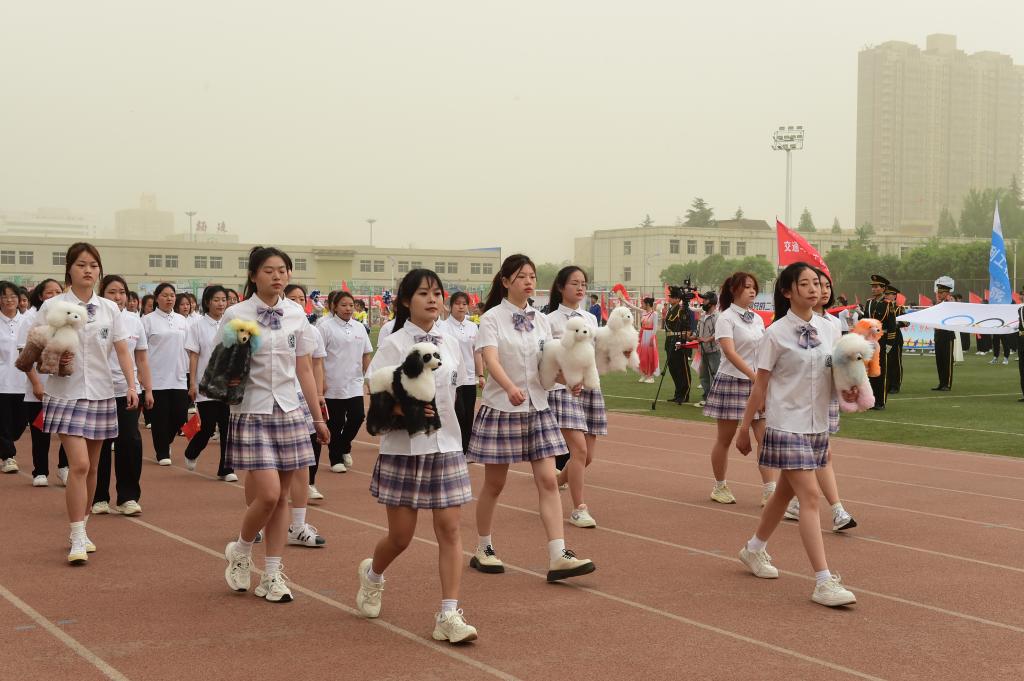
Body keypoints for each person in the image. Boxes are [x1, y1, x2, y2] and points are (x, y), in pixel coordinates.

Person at [355, 268, 479, 643]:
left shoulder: (452, 342)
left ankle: (448, 614)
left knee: (451, 530)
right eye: (424, 293)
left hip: (446, 447)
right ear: (407, 301)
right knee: (401, 537)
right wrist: (402, 410)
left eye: (437, 293)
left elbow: (459, 394)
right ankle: (372, 575)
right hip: (404, 449)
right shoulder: (393, 343)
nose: (433, 299)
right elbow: (375, 392)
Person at [466, 253, 595, 582]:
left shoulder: (541, 319)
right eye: (521, 276)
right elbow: (491, 359)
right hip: (502, 408)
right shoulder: (492, 318)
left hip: (538, 407)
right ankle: (483, 547)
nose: (528, 282)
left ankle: (558, 555)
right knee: (495, 484)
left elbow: (547, 363)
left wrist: (568, 380)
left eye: (532, 276)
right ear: (505, 281)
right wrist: (509, 386)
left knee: (549, 480)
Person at [735, 261, 857, 608]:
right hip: (786, 423)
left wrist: (852, 388)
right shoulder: (774, 334)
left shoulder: (830, 329)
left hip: (817, 425)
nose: (814, 289)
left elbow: (837, 374)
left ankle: (753, 549)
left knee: (782, 495)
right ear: (787, 291)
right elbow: (760, 385)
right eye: (805, 283)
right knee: (810, 497)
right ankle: (823, 581)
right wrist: (744, 428)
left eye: (817, 283)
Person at [222, 246, 329, 603]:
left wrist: (317, 416)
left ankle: (271, 574)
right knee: (268, 494)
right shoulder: (237, 314)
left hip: (288, 409)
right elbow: (223, 365)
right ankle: (241, 549)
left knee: (282, 496)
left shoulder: (297, 314)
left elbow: (304, 369)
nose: (277, 276)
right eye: (269, 270)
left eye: (282, 270)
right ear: (254, 276)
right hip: (251, 411)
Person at [25, 242, 138, 564]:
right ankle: (76, 534)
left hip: (102, 393)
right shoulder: (53, 306)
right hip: (65, 393)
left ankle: (83, 527)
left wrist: (132, 385)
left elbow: (122, 350)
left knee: (93, 467)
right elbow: (34, 351)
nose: (88, 270)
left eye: (93, 265)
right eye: (81, 265)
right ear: (69, 269)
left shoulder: (109, 308)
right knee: (79, 465)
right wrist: (50, 365)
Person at [783, 268, 857, 532]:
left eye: (824, 285)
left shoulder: (832, 324)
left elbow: (838, 361)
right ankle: (837, 510)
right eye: (814, 284)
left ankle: (793, 502)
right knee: (819, 456)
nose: (821, 290)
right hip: (796, 403)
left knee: (811, 457)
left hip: (824, 397)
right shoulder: (788, 326)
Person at [703, 272, 776, 506]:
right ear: (734, 290)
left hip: (756, 382)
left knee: (763, 437)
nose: (752, 291)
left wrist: (762, 379)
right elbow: (730, 352)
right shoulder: (725, 318)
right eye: (747, 287)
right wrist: (754, 377)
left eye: (754, 287)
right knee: (724, 439)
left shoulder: (757, 319)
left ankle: (770, 490)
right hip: (732, 381)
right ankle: (720, 486)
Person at [545, 266, 607, 529]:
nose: (580, 288)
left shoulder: (590, 318)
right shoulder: (549, 320)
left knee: (587, 456)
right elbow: (546, 358)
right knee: (579, 450)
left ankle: (552, 484)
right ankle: (579, 509)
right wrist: (565, 379)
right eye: (574, 283)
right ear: (561, 287)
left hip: (589, 388)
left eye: (583, 283)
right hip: (564, 391)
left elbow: (596, 351)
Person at [92, 274, 153, 516]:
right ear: (102, 294)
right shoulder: (93, 317)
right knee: (100, 444)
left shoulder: (134, 321)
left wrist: (147, 389)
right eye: (112, 292)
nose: (118, 297)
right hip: (98, 391)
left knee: (130, 441)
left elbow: (142, 358)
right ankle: (99, 497)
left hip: (128, 391)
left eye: (122, 292)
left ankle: (128, 497)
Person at [17, 279, 69, 486]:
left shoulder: (69, 319)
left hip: (65, 386)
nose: (55, 296)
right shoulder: (31, 319)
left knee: (67, 429)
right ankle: (40, 471)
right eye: (50, 293)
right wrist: (37, 384)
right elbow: (25, 355)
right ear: (40, 296)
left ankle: (64, 467)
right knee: (40, 430)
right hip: (39, 387)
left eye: (58, 292)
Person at [184, 285, 237, 481]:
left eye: (224, 300)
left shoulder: (232, 325)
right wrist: (192, 383)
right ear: (207, 302)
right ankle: (192, 451)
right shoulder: (197, 326)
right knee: (207, 427)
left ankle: (226, 468)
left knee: (227, 427)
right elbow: (194, 356)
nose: (221, 304)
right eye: (216, 300)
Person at [319, 291, 372, 474]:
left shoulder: (359, 328)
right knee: (336, 422)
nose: (348, 309)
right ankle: (335, 459)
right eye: (343, 305)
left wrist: (369, 378)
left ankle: (344, 446)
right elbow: (318, 358)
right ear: (334, 307)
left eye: (351, 305)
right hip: (333, 383)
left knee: (358, 416)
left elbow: (366, 354)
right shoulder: (325, 327)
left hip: (354, 382)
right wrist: (322, 380)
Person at [142, 283, 189, 465]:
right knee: (159, 418)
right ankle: (162, 452)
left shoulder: (182, 320)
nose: (169, 298)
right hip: (156, 378)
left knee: (179, 416)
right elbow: (141, 350)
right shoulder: (147, 320)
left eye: (172, 295)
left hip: (179, 376)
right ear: (157, 298)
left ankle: (166, 442)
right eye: (165, 295)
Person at [441, 291, 484, 454]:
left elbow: (477, 352)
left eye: (464, 304)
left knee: (468, 415)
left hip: (470, 377)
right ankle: (454, 447)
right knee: (457, 413)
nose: (461, 307)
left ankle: (466, 449)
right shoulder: (443, 327)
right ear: (450, 306)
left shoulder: (472, 327)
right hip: (452, 378)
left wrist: (481, 375)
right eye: (457, 303)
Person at [0, 281, 25, 474]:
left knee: (19, 424)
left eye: (12, 296)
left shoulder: (27, 321)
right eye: (4, 296)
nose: (8, 300)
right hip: (2, 382)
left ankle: (7, 443)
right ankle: (8, 456)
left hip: (24, 382)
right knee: (3, 421)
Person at [860, 274, 894, 409]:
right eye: (872, 286)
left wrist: (889, 343)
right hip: (869, 340)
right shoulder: (869, 302)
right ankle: (871, 400)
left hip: (882, 340)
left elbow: (891, 325)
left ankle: (880, 401)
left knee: (880, 370)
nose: (873, 289)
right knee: (870, 370)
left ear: (883, 288)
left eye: (876, 286)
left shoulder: (888, 304)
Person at [664, 287, 694, 404]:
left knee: (682, 369)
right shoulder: (671, 309)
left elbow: (687, 326)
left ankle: (684, 394)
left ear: (677, 299)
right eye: (670, 296)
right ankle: (678, 393)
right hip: (670, 341)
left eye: (672, 297)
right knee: (673, 369)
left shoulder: (681, 310)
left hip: (678, 340)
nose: (670, 298)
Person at [695, 291, 720, 408]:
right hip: (703, 350)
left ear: (712, 302)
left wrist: (706, 339)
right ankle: (706, 397)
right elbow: (698, 330)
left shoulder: (718, 316)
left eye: (705, 299)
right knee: (703, 375)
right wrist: (692, 336)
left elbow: (718, 333)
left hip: (714, 351)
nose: (703, 302)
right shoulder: (703, 315)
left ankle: (714, 400)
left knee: (713, 375)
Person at [932, 277, 956, 391]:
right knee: (940, 361)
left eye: (941, 293)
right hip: (938, 334)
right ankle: (941, 383)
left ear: (947, 293)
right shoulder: (938, 303)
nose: (939, 294)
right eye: (938, 292)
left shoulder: (951, 303)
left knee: (947, 361)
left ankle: (947, 384)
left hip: (947, 334)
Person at [884, 286, 906, 394]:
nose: (886, 296)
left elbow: (906, 322)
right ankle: (888, 384)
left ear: (894, 296)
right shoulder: (884, 307)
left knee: (895, 361)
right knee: (887, 362)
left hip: (896, 337)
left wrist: (894, 324)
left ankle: (895, 385)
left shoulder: (899, 308)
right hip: (885, 337)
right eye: (886, 294)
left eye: (888, 294)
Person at [636, 297, 660, 383]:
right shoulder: (643, 312)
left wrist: (651, 339)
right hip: (643, 335)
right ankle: (644, 374)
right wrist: (623, 300)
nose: (642, 305)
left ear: (648, 304)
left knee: (650, 356)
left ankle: (650, 376)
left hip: (650, 336)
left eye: (643, 304)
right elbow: (633, 307)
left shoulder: (654, 314)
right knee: (642, 355)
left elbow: (655, 328)